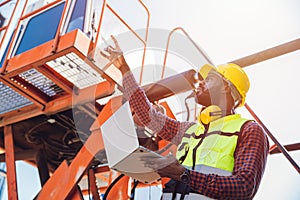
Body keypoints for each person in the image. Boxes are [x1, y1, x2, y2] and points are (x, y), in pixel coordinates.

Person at [100, 35, 269, 200]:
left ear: (226, 88)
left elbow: (244, 188)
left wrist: (180, 173)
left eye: (209, 79)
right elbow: (147, 114)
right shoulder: (189, 130)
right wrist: (124, 68)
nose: (200, 83)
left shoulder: (249, 130)